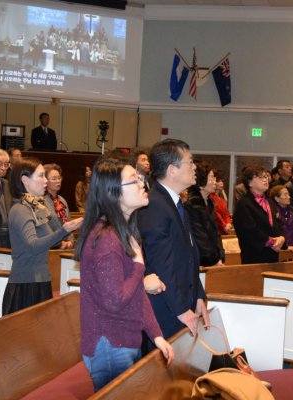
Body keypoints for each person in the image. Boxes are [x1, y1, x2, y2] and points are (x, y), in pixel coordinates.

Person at [76, 158, 173, 391]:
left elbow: (136, 294)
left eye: (141, 179)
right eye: (134, 180)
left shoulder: (122, 233)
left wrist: (156, 335)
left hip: (122, 340)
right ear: (114, 193)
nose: (143, 184)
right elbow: (115, 301)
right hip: (110, 344)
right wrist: (139, 268)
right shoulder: (107, 240)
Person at [137, 139, 209, 339]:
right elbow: (161, 264)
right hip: (167, 310)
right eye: (190, 162)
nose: (194, 167)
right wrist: (180, 309)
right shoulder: (154, 205)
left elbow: (187, 256)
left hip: (182, 301)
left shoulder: (173, 202)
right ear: (172, 170)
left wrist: (198, 295)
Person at [2, 157, 82, 315]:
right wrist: (64, 230)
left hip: (40, 279)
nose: (45, 181)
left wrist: (71, 230)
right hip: (26, 283)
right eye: (41, 176)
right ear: (25, 180)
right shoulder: (20, 209)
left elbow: (50, 240)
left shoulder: (37, 207)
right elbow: (33, 246)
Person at [233, 165, 286, 264]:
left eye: (266, 176)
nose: (265, 180)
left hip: (273, 254)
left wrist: (282, 238)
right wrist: (272, 242)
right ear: (249, 182)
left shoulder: (270, 201)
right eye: (260, 177)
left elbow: (279, 223)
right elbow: (249, 231)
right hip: (254, 256)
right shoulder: (244, 203)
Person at [185, 162, 225, 267]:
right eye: (211, 178)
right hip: (202, 261)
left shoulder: (209, 201)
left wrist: (220, 255)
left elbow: (216, 232)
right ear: (201, 182)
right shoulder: (192, 204)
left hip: (214, 259)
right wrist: (213, 260)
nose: (215, 182)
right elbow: (199, 236)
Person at [43, 163, 73, 249]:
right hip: (51, 247)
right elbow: (44, 228)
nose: (58, 181)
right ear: (45, 181)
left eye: (59, 178)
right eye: (54, 179)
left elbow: (69, 223)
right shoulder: (41, 201)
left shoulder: (62, 200)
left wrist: (70, 241)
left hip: (66, 246)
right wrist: (60, 244)